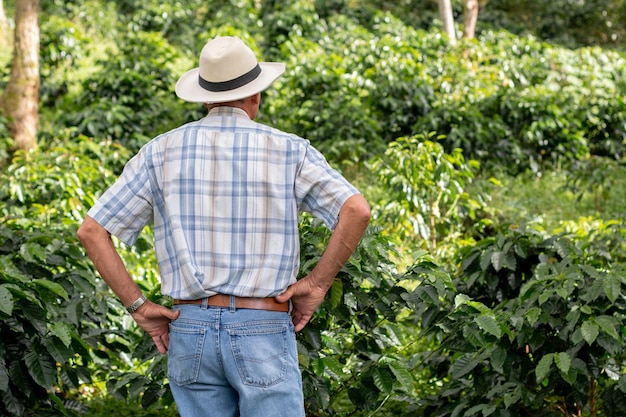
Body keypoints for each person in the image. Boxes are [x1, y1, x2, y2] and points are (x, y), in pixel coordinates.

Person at [77, 35, 370, 417]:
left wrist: (139, 306)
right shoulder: (289, 150)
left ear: (204, 98)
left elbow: (92, 231)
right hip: (262, 325)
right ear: (256, 96)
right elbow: (357, 210)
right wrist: (316, 285)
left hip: (189, 327)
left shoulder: (159, 152)